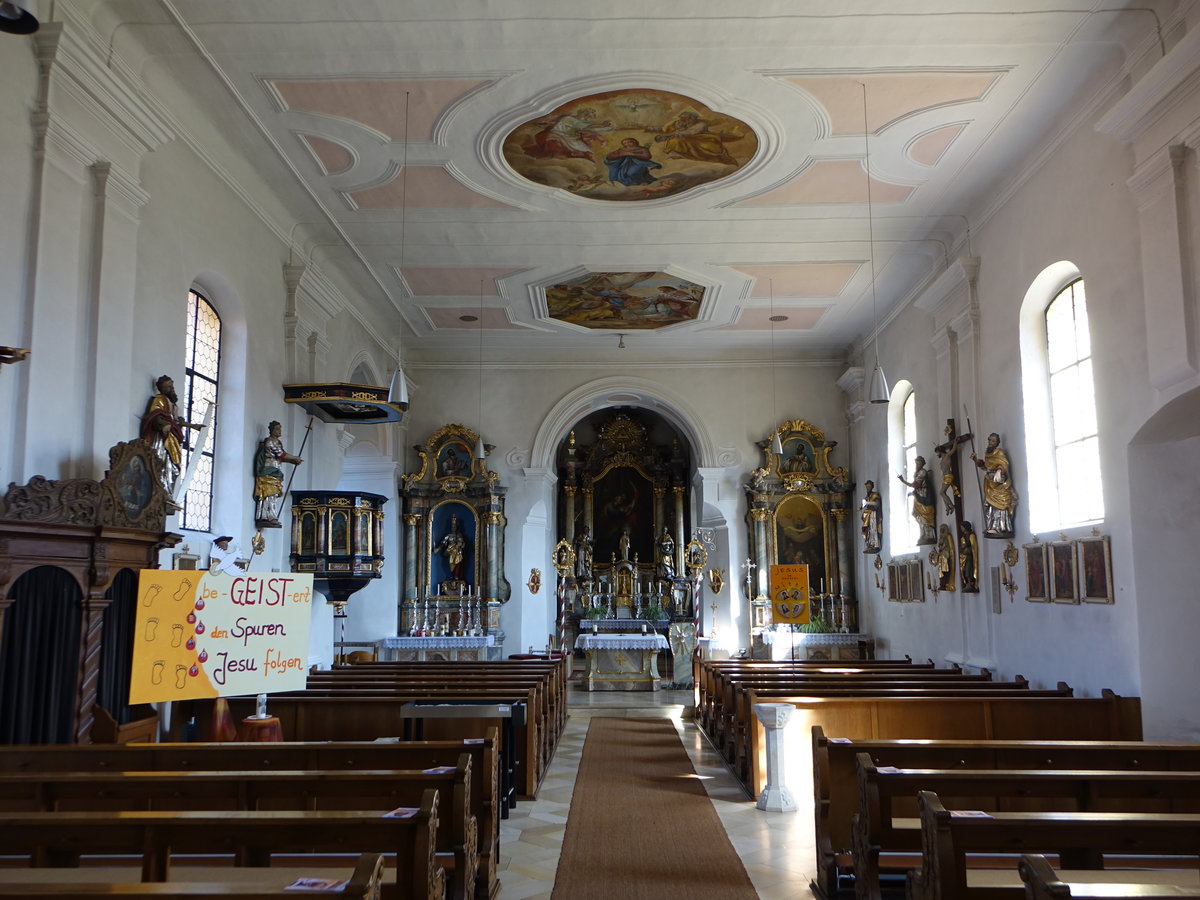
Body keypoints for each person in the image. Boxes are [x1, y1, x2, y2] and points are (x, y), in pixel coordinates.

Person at [140, 375, 200, 503]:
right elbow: (155, 415)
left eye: (172, 386)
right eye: (168, 387)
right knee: (162, 463)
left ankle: (168, 493)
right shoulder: (159, 399)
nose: (171, 389)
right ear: (162, 389)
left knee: (174, 467)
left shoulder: (173, 405)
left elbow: (177, 421)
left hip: (173, 438)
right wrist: (163, 424)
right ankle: (159, 492)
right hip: (162, 438)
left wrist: (193, 426)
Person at [253, 421, 303, 526]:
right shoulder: (270, 442)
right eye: (277, 429)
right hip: (269, 469)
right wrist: (294, 458)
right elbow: (280, 454)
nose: (279, 431)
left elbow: (280, 458)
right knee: (268, 493)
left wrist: (293, 461)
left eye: (280, 428)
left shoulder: (278, 442)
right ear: (271, 430)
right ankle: (265, 516)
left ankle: (271, 516)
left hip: (275, 470)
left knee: (273, 494)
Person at [647, 110, 738, 165]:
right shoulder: (678, 123)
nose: (681, 119)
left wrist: (667, 136)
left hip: (700, 138)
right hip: (683, 138)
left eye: (684, 118)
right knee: (674, 140)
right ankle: (676, 153)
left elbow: (690, 132)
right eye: (681, 117)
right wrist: (650, 129)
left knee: (707, 146)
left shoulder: (701, 124)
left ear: (692, 118)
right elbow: (664, 128)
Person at [971, 432, 1017, 538]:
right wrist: (976, 460)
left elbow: (1004, 464)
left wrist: (1000, 470)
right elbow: (985, 467)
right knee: (989, 506)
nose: (990, 442)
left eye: (993, 441)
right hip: (990, 484)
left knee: (1000, 506)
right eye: (989, 440)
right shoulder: (988, 454)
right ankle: (992, 526)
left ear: (997, 443)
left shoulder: (999, 452)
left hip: (999, 485)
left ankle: (1002, 527)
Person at [522, 107, 612, 161]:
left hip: (571, 138)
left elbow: (588, 127)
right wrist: (601, 125)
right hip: (559, 134)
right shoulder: (569, 118)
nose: (587, 118)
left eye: (589, 116)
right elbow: (585, 125)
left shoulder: (581, 122)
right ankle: (571, 153)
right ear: (583, 112)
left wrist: (607, 127)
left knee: (589, 152)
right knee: (582, 150)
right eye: (587, 115)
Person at [897, 456, 937, 545]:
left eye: (919, 463)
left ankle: (929, 535)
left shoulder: (922, 472)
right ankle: (923, 534)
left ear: (922, 464)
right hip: (918, 496)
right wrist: (912, 493)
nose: (917, 465)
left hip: (925, 497)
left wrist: (903, 481)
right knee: (917, 515)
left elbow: (916, 485)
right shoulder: (917, 472)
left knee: (925, 515)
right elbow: (917, 487)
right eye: (916, 463)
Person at [435, 514, 468, 583]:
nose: (453, 528)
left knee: (458, 563)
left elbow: (462, 543)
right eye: (452, 527)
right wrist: (438, 549)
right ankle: (453, 575)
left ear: (456, 527)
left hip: (457, 552)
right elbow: (443, 543)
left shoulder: (459, 535)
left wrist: (460, 544)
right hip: (450, 552)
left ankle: (456, 576)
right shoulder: (448, 535)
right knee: (451, 564)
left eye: (454, 527)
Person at [860, 481, 882, 554]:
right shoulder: (866, 497)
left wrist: (867, 503)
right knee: (868, 530)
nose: (868, 488)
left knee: (873, 529)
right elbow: (864, 505)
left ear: (872, 487)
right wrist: (862, 506)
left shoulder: (875, 495)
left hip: (873, 514)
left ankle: (875, 544)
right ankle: (869, 544)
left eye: (869, 486)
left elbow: (877, 504)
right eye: (867, 486)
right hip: (867, 515)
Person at [959, 520, 979, 592]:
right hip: (964, 557)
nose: (961, 528)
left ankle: (970, 583)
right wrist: (962, 548)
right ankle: (967, 583)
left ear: (965, 527)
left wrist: (967, 549)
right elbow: (961, 546)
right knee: (963, 570)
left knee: (968, 569)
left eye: (962, 527)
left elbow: (973, 547)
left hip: (970, 556)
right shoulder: (964, 536)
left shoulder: (971, 535)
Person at [936, 523, 955, 590]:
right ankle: (942, 583)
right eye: (941, 530)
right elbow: (939, 545)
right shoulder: (941, 538)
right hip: (941, 556)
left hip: (945, 556)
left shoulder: (947, 537)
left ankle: (944, 583)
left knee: (944, 570)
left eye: (942, 530)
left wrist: (942, 547)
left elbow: (945, 546)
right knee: (940, 570)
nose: (941, 531)